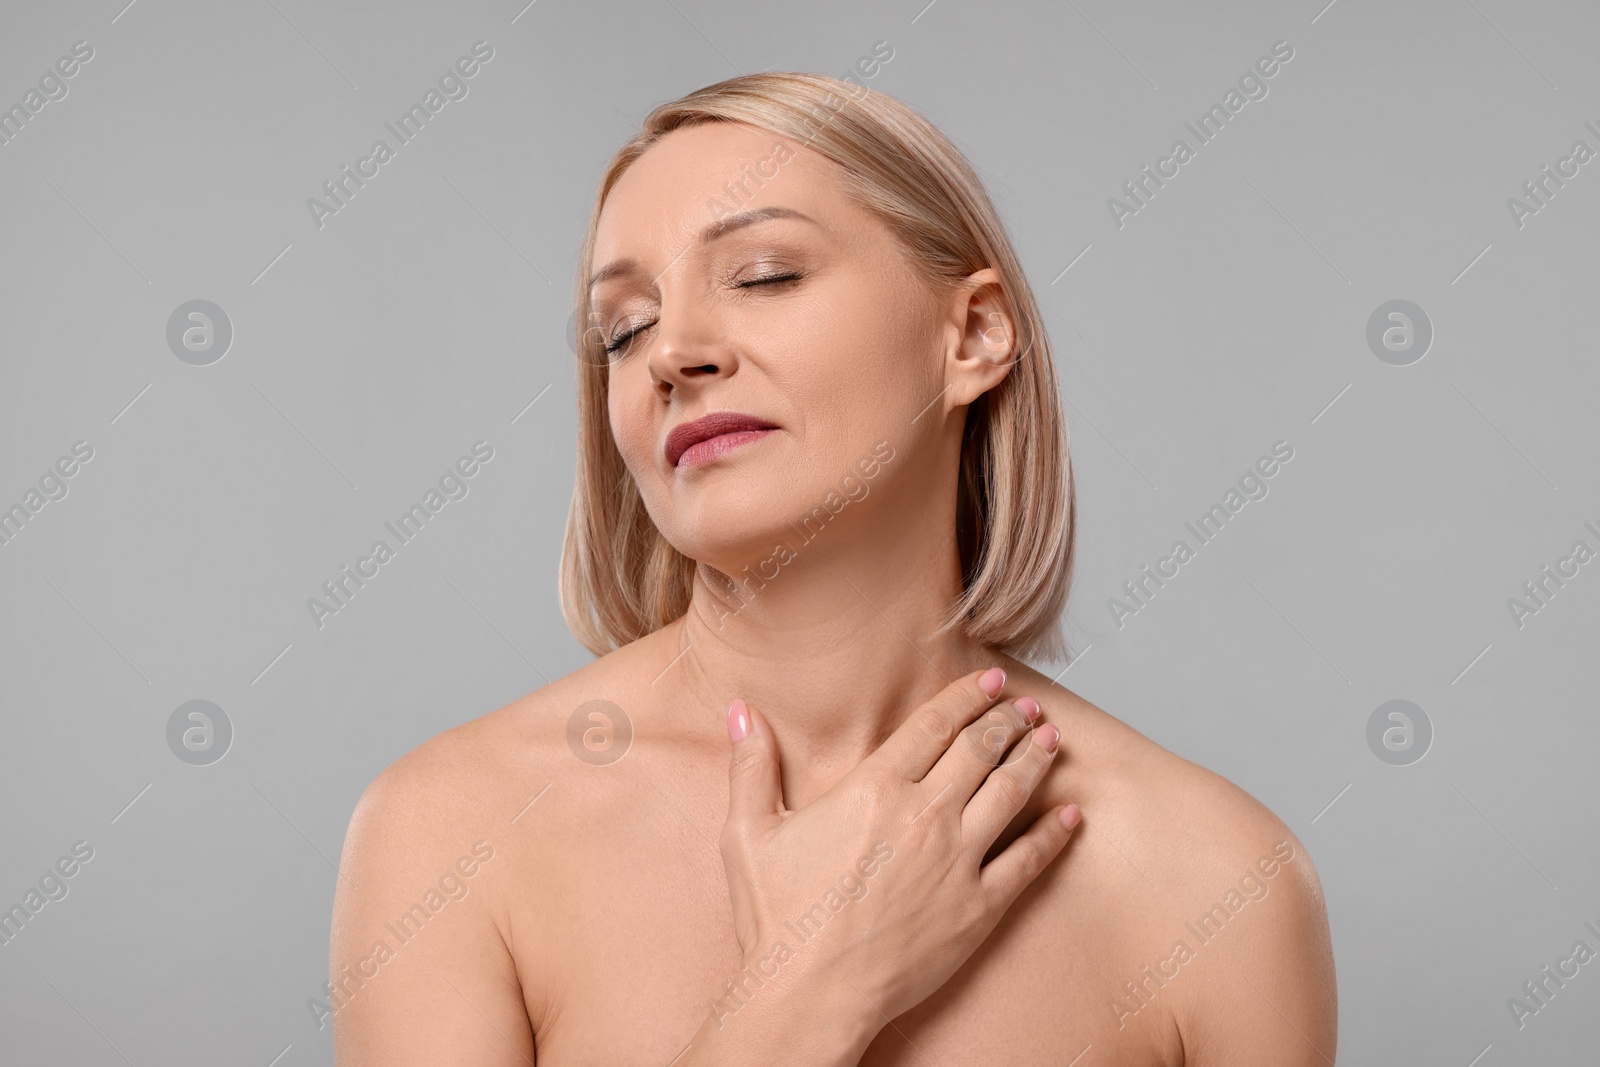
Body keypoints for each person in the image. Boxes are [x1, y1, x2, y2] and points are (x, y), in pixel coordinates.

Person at [330, 72, 1336, 1065]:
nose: (671, 351)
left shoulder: (1217, 882)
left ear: (974, 333)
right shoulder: (451, 835)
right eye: (622, 329)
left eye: (765, 273)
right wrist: (807, 988)